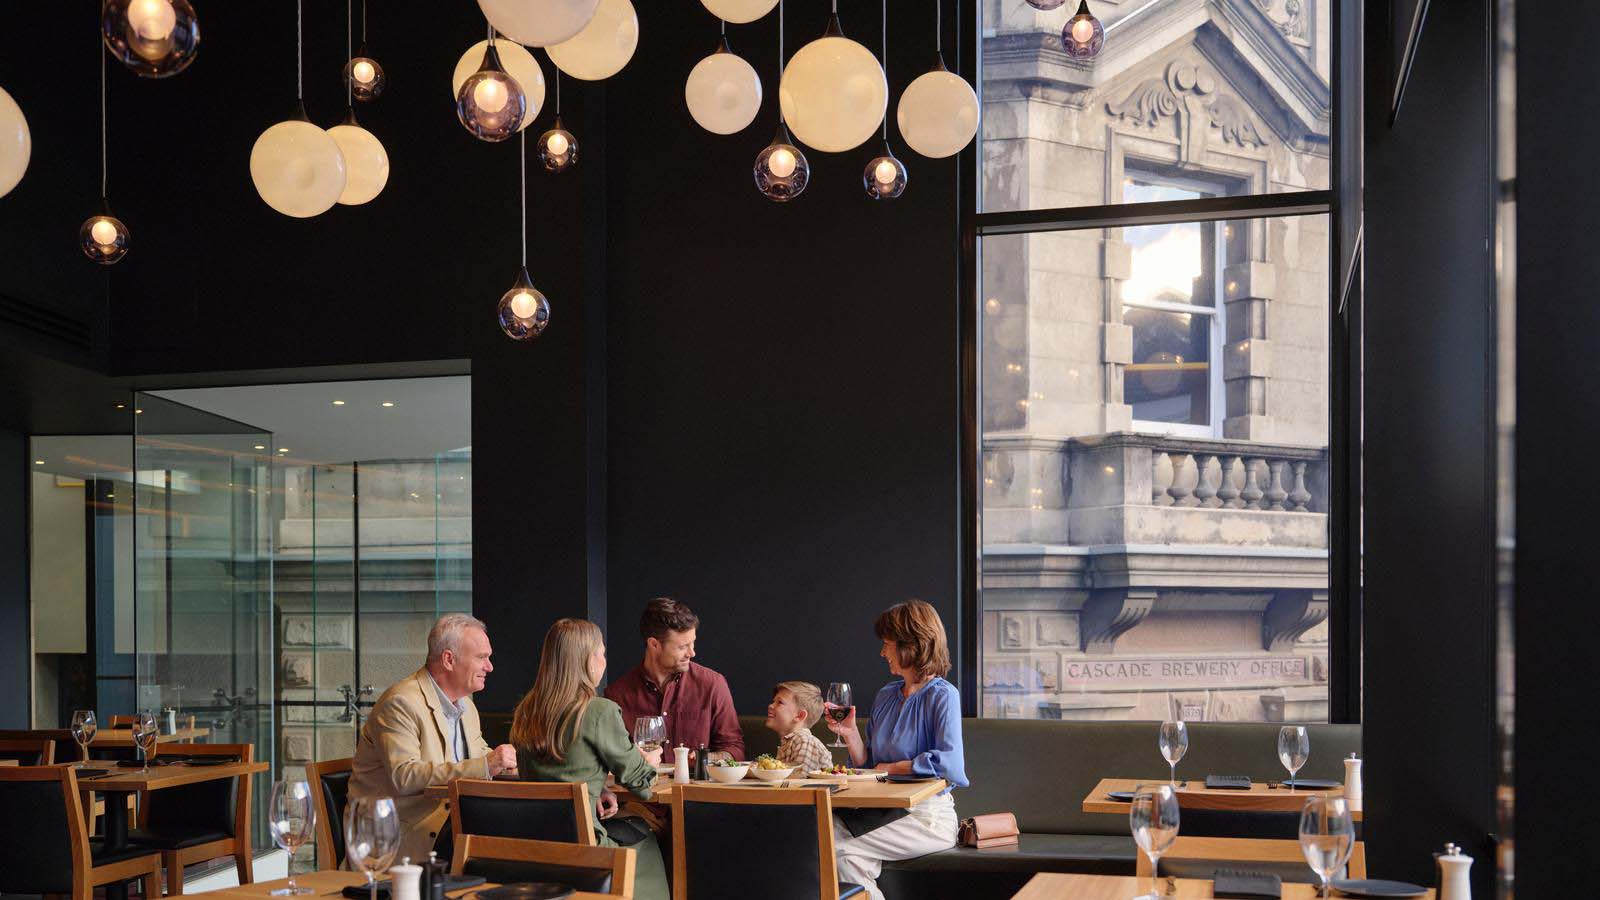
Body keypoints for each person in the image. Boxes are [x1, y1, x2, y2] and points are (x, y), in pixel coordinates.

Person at [511, 618, 669, 900]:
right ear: (587, 660)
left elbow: (550, 777)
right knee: (648, 840)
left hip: (533, 847)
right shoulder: (598, 711)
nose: (605, 661)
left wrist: (598, 788)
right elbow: (641, 784)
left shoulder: (526, 710)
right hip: (585, 850)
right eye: (602, 653)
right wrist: (651, 762)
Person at [825, 600, 968, 900]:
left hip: (927, 817)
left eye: (886, 644)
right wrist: (849, 734)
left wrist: (890, 769)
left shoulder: (943, 696)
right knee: (837, 844)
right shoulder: (886, 695)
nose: (882, 652)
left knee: (835, 845)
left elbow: (951, 765)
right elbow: (869, 765)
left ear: (911, 645)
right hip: (881, 811)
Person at [349, 613, 520, 864]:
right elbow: (404, 776)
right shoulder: (401, 703)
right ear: (449, 660)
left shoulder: (466, 707)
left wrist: (513, 766)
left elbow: (481, 758)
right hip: (399, 841)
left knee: (518, 844)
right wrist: (486, 765)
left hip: (451, 830)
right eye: (482, 658)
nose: (490, 667)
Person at [604, 597, 745, 759]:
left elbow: (734, 749)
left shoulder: (712, 684)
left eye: (692, 644)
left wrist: (705, 759)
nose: (692, 653)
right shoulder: (617, 695)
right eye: (683, 646)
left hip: (697, 783)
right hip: (644, 783)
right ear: (654, 644)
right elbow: (611, 757)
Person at [765, 680, 833, 775]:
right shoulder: (790, 742)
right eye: (773, 701)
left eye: (780, 702)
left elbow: (798, 782)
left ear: (799, 716)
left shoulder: (803, 741)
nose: (771, 706)